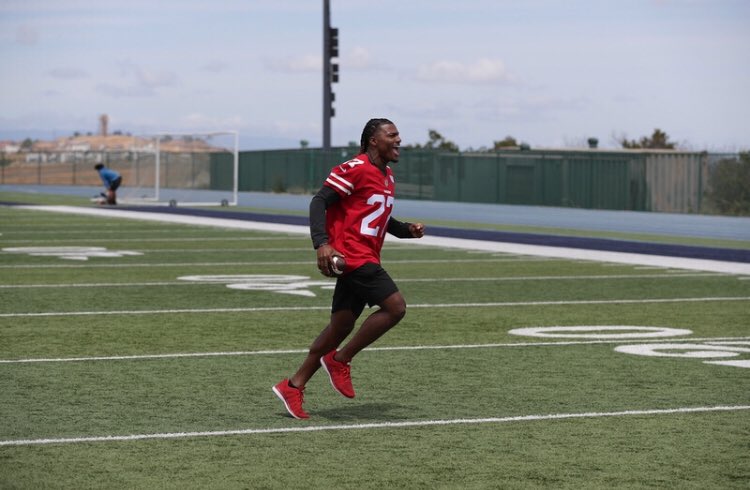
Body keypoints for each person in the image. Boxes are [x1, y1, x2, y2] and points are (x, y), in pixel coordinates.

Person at [272, 118, 425, 419]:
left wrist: (407, 230)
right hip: (354, 257)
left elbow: (380, 219)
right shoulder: (354, 168)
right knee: (395, 308)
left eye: (398, 135)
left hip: (368, 256)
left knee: (338, 329)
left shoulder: (388, 175)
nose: (399, 140)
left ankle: (293, 385)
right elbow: (319, 202)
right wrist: (321, 244)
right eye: (392, 135)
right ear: (373, 140)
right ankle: (341, 360)